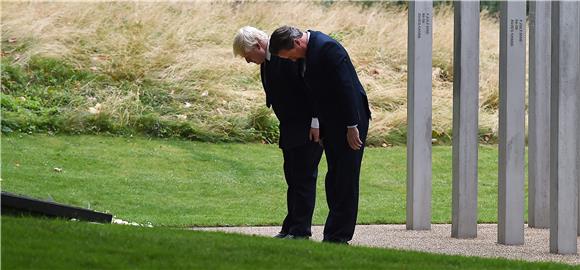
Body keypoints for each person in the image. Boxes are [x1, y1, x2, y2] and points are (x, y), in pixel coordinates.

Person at [269, 26, 371, 244]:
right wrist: (322, 127)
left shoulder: (327, 49)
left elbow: (346, 88)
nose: (292, 61)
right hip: (332, 122)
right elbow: (316, 94)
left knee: (345, 177)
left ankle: (339, 236)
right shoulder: (306, 53)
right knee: (333, 177)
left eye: (290, 56)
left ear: (297, 44)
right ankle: (332, 234)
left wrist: (352, 126)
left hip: (350, 120)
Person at [233, 26, 323, 239]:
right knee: (292, 177)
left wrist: (316, 121)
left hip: (306, 125)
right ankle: (291, 226)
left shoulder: (286, 56)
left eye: (247, 56)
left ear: (257, 45)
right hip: (290, 125)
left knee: (303, 178)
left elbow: (310, 88)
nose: (248, 61)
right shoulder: (268, 61)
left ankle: (300, 230)